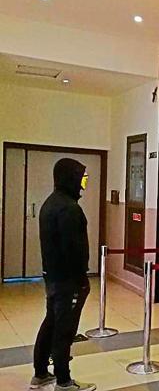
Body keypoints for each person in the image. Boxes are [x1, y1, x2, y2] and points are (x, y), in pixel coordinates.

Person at [31, 158, 95, 391]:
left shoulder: (51, 203)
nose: (83, 182)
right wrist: (82, 280)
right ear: (70, 177)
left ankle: (40, 373)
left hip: (54, 277)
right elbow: (73, 249)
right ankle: (64, 380)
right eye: (81, 177)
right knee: (64, 329)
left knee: (51, 322)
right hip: (68, 280)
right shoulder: (69, 208)